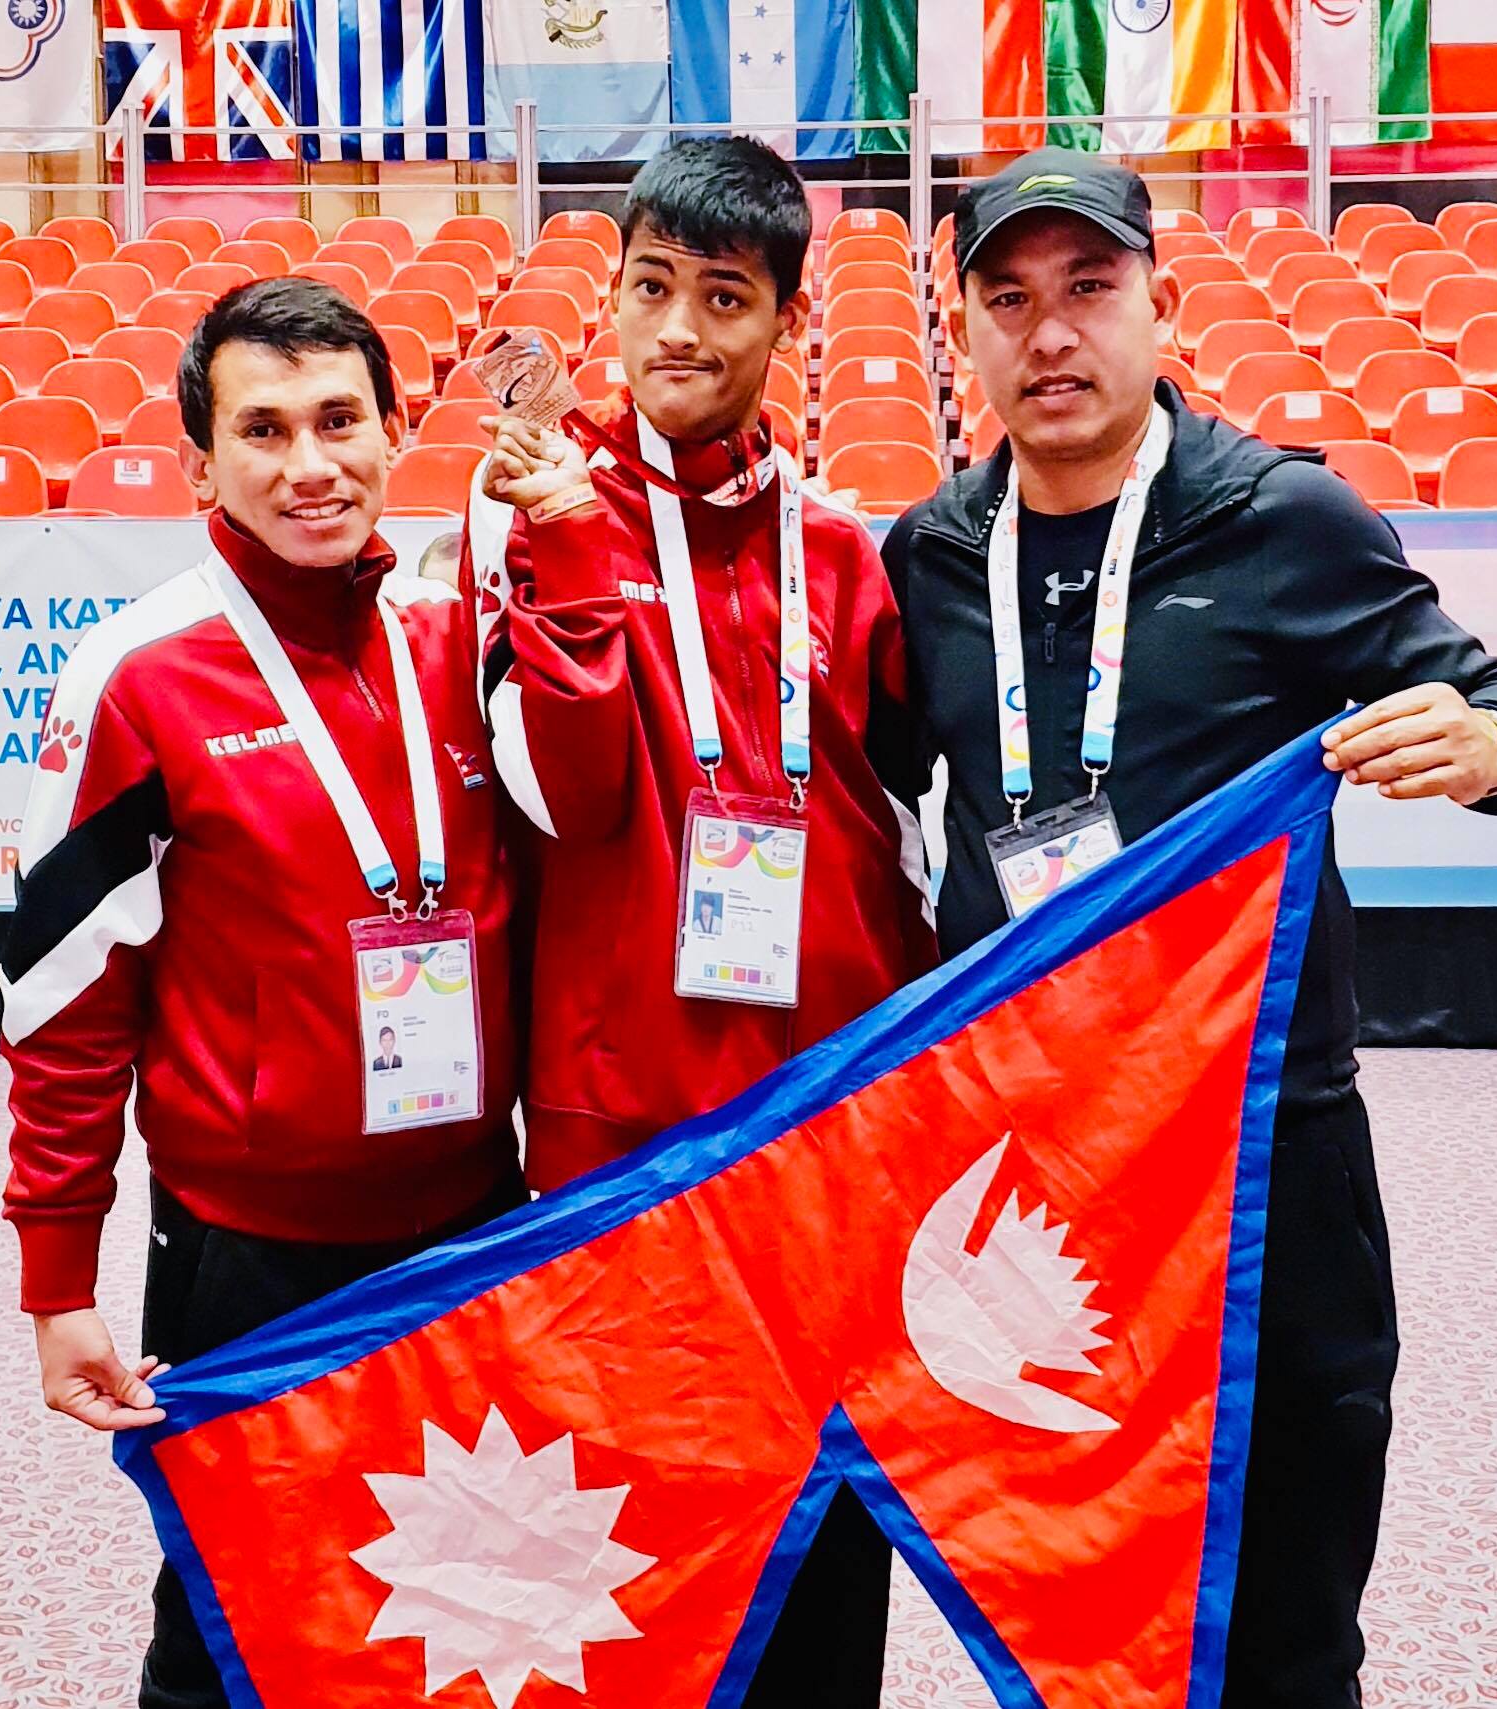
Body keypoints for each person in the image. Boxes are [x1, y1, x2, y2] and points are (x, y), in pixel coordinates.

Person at [882, 151, 1497, 1709]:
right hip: (1033, 1178)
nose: (1050, 333)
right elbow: (867, 796)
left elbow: (1492, 697)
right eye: (1007, 300)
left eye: (1087, 288)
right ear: (964, 332)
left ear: (1158, 303)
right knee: (1073, 1597)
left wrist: (1488, 745)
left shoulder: (1283, 519)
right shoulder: (930, 555)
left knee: (1286, 1601)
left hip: (1259, 1156)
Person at [0, 277, 526, 1709]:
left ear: (395, 428)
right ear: (201, 465)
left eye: (340, 420)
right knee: (237, 1623)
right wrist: (58, 1279)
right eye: (265, 429)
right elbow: (65, 1004)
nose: (311, 466)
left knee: (469, 1608)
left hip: (475, 1226)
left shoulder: (453, 639)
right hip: (251, 1252)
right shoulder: (136, 676)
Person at [460, 136, 938, 1708]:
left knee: (825, 1541)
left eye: (723, 296)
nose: (677, 328)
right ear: (609, 298)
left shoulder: (844, 553)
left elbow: (907, 835)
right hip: (625, 1134)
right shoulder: (525, 513)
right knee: (642, 1561)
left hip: (826, 1135)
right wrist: (572, 545)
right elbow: (568, 796)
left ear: (786, 321)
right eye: (650, 286)